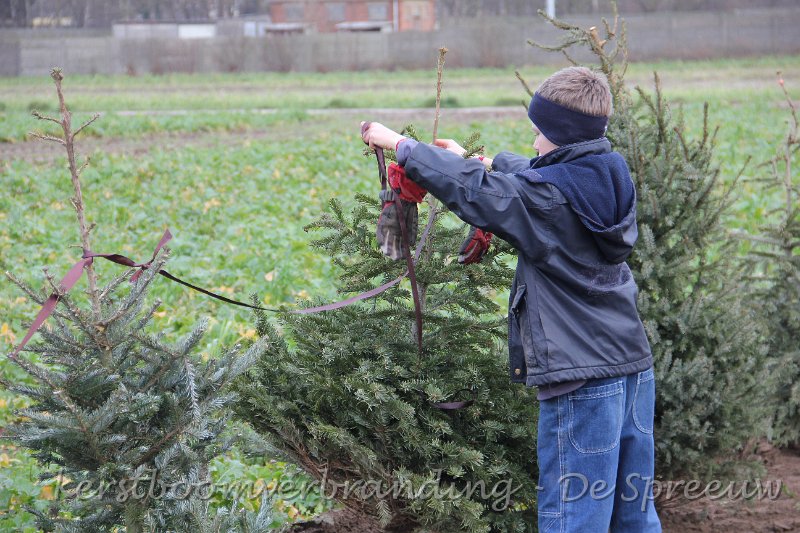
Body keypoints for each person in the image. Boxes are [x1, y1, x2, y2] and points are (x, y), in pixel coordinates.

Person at [361, 66, 661, 532]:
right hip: (633, 372)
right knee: (633, 516)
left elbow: (486, 195)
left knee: (574, 518)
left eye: (539, 132)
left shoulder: (547, 197)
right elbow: (540, 181)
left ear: (560, 134)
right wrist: (482, 160)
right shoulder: (608, 173)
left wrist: (402, 145)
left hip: (582, 380)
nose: (534, 142)